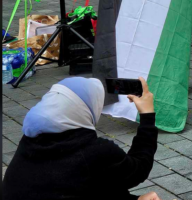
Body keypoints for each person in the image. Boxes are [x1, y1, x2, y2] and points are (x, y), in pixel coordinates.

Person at [3, 77, 160, 200]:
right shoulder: (94, 152)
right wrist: (147, 115)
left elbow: (79, 187)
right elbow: (138, 169)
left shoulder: (30, 142)